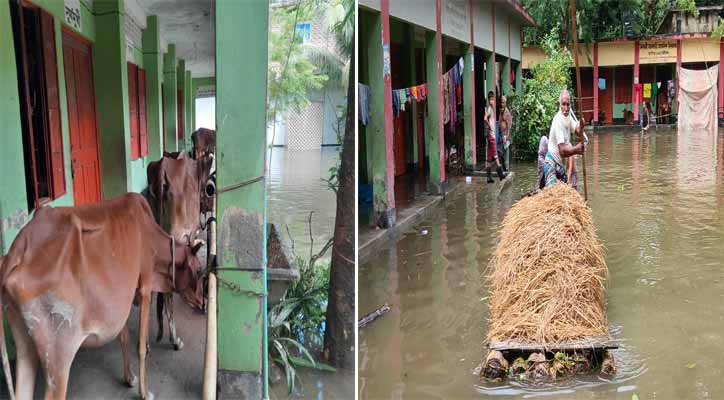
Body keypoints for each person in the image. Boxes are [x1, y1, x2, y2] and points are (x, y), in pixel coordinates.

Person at [543, 89, 585, 188]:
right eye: (563, 104)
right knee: (553, 195)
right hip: (552, 163)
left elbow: (577, 131)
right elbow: (562, 151)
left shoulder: (568, 117)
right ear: (559, 105)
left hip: (560, 166)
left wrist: (581, 125)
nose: (566, 109)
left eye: (568, 105)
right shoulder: (558, 120)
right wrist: (577, 149)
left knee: (568, 191)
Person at [484, 91, 505, 183]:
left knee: (489, 157)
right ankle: (500, 173)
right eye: (491, 99)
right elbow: (485, 118)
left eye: (493, 99)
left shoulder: (491, 109)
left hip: (490, 134)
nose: (492, 101)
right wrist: (489, 127)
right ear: (489, 100)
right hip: (491, 134)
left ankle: (488, 177)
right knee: (495, 154)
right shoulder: (489, 109)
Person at [499, 95, 513, 172]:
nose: (502, 104)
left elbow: (509, 123)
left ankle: (506, 168)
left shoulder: (507, 112)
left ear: (506, 103)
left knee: (506, 151)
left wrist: (507, 135)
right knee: (502, 151)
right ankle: (503, 167)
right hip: (501, 133)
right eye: (501, 102)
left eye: (503, 102)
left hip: (506, 133)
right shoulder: (501, 111)